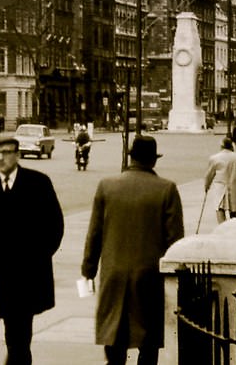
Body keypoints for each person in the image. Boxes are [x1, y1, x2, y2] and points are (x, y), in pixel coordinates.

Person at [81, 135, 183, 365]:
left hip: (113, 274)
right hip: (150, 276)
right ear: (153, 161)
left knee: (114, 334)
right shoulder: (167, 189)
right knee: (149, 339)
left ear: (131, 157)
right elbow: (175, 241)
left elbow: (94, 234)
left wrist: (88, 270)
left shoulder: (106, 186)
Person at [0, 137, 64, 365]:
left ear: (17, 155)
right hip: (3, 268)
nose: (1, 158)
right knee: (13, 321)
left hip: (32, 268)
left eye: (6, 153)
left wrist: (42, 254)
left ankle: (17, 358)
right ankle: (17, 357)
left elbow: (55, 223)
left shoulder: (38, 183)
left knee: (20, 322)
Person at [204, 136, 236, 223]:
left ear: (221, 146)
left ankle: (222, 229)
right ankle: (233, 229)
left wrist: (207, 186)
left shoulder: (214, 158)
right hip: (235, 187)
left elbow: (209, 175)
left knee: (220, 209)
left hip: (220, 188)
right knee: (234, 213)